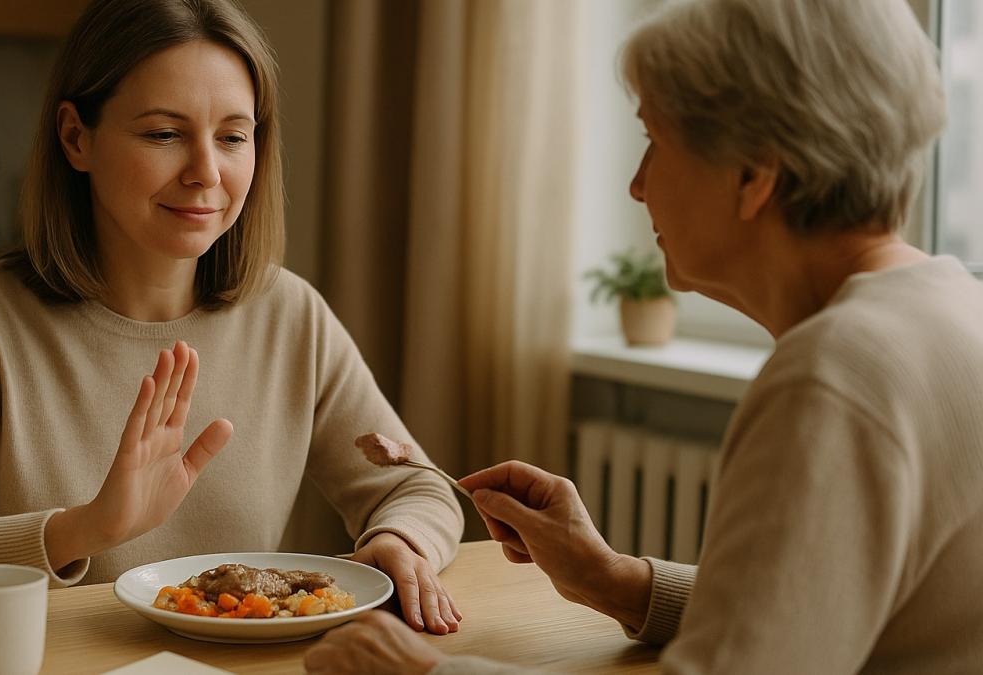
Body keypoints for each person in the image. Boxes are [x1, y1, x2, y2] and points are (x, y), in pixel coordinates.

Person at [303, 0, 983, 671]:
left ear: (754, 173)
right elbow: (815, 614)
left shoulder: (836, 377)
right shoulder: (952, 308)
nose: (635, 185)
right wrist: (613, 579)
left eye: (654, 140)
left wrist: (425, 672)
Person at [0, 0, 464, 635]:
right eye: (164, 134)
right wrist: (86, 528)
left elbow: (418, 490)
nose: (206, 173)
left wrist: (400, 543)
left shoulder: (290, 315)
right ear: (77, 137)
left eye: (233, 137)